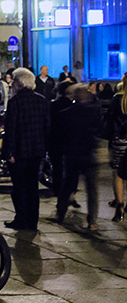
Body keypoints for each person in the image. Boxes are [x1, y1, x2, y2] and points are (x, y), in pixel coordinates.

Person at [3, 67, 51, 231]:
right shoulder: (42, 100)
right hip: (36, 150)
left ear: (19, 83)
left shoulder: (15, 102)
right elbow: (47, 127)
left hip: (19, 151)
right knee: (32, 186)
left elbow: (11, 129)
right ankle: (32, 220)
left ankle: (21, 219)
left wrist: (9, 152)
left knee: (19, 187)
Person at [53, 84, 102, 230]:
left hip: (73, 153)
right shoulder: (93, 112)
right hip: (88, 154)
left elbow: (61, 134)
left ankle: (61, 212)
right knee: (92, 189)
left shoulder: (67, 113)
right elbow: (100, 130)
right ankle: (92, 220)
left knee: (68, 184)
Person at [109, 74, 127, 223]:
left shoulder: (117, 98)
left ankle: (119, 205)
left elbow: (110, 118)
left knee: (117, 172)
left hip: (119, 139)